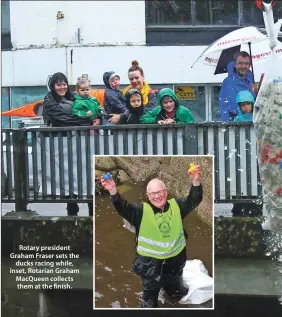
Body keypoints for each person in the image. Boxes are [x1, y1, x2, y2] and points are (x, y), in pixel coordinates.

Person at [100, 165, 203, 308]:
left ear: (166, 192)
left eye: (160, 192)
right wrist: (112, 190)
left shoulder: (177, 206)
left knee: (177, 293)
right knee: (149, 303)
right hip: (150, 268)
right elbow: (123, 207)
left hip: (175, 264)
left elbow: (194, 200)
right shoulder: (140, 211)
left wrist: (196, 181)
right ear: (148, 196)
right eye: (153, 193)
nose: (157, 196)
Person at [41, 72, 94, 216]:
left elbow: (91, 108)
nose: (62, 87)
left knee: (86, 174)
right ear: (53, 86)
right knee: (69, 176)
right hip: (62, 144)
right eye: (58, 84)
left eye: (64, 84)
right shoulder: (49, 101)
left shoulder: (74, 97)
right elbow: (62, 119)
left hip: (81, 142)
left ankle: (91, 209)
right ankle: (72, 210)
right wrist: (85, 121)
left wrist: (95, 117)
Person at [110, 60, 156, 125]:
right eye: (131, 79)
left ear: (143, 77)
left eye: (137, 78)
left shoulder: (150, 93)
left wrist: (122, 116)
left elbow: (147, 112)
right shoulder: (124, 93)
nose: (134, 81)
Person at [219, 51, 256, 121]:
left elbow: (254, 105)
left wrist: (255, 93)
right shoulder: (228, 82)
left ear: (249, 65)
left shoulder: (251, 82)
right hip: (235, 124)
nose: (243, 66)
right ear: (235, 65)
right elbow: (225, 108)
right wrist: (227, 127)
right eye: (240, 63)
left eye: (246, 64)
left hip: (251, 124)